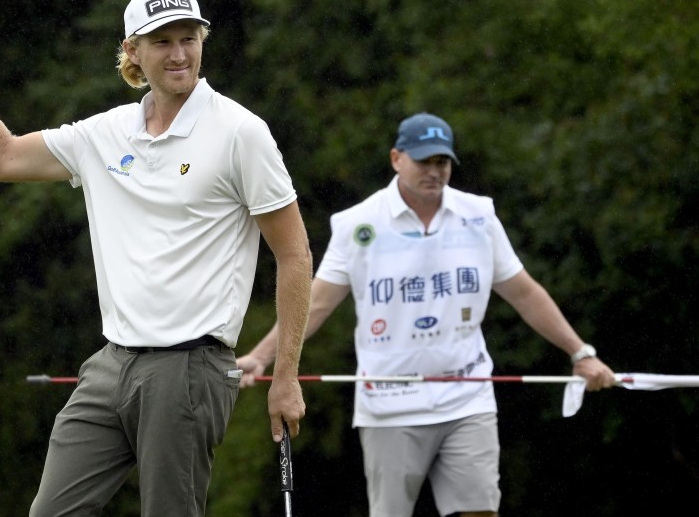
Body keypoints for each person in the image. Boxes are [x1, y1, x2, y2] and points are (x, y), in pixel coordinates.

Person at [0, 0, 312, 516]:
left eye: (189, 38)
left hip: (190, 367)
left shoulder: (239, 133)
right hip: (112, 365)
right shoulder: (107, 133)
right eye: (161, 42)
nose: (179, 54)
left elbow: (294, 254)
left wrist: (286, 376)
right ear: (132, 51)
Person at [235, 112, 618, 517]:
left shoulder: (479, 216)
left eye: (443, 162)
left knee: (481, 511)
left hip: (467, 396)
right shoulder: (357, 224)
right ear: (397, 158)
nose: (435, 171)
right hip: (389, 404)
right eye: (424, 161)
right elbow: (316, 303)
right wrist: (261, 356)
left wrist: (581, 352)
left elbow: (524, 293)